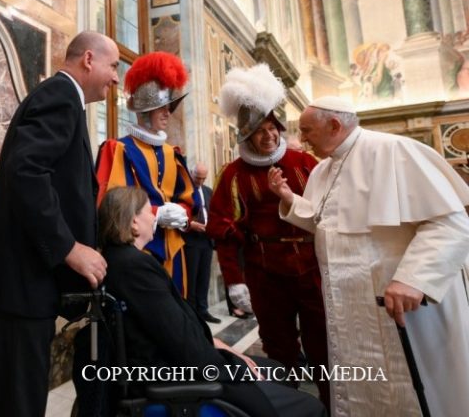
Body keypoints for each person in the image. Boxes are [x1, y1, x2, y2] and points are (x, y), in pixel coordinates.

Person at [268, 95, 469, 417]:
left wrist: (413, 279)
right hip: (350, 309)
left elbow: (451, 223)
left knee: (413, 391)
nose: (302, 140)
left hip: (402, 307)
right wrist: (290, 198)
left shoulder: (394, 151)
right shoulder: (322, 171)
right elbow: (327, 222)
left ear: (334, 125)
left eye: (306, 131)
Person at [0, 31, 119, 416]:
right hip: (21, 281)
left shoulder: (64, 98)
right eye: (114, 66)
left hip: (23, 280)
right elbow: (27, 173)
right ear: (89, 59)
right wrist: (68, 247)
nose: (116, 77)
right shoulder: (60, 96)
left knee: (12, 398)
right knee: (19, 402)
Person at [99, 186, 327, 417]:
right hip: (176, 376)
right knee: (311, 407)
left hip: (174, 363)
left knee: (277, 370)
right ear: (134, 222)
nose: (154, 217)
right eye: (149, 211)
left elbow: (174, 327)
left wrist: (221, 347)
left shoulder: (122, 260)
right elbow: (180, 339)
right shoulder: (134, 267)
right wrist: (230, 365)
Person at [207, 64, 329, 408]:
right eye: (259, 131)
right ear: (246, 137)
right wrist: (235, 281)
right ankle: (287, 406)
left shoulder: (305, 162)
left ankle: (331, 405)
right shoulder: (233, 174)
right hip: (265, 275)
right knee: (278, 348)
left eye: (272, 128)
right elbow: (224, 232)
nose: (269, 136)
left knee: (323, 344)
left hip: (312, 269)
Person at [96, 51, 199, 296]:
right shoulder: (117, 149)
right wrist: (155, 213)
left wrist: (182, 215)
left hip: (174, 250)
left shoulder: (172, 153)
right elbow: (107, 204)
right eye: (160, 108)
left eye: (168, 107)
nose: (167, 113)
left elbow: (188, 200)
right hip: (136, 251)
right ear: (144, 112)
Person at [182, 162, 221, 323]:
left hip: (207, 240)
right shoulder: (185, 191)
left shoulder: (208, 191)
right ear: (191, 174)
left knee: (204, 278)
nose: (200, 181)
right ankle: (192, 313)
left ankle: (203, 310)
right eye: (198, 177)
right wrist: (191, 224)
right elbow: (180, 214)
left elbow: (213, 212)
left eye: (203, 178)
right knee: (192, 278)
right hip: (191, 241)